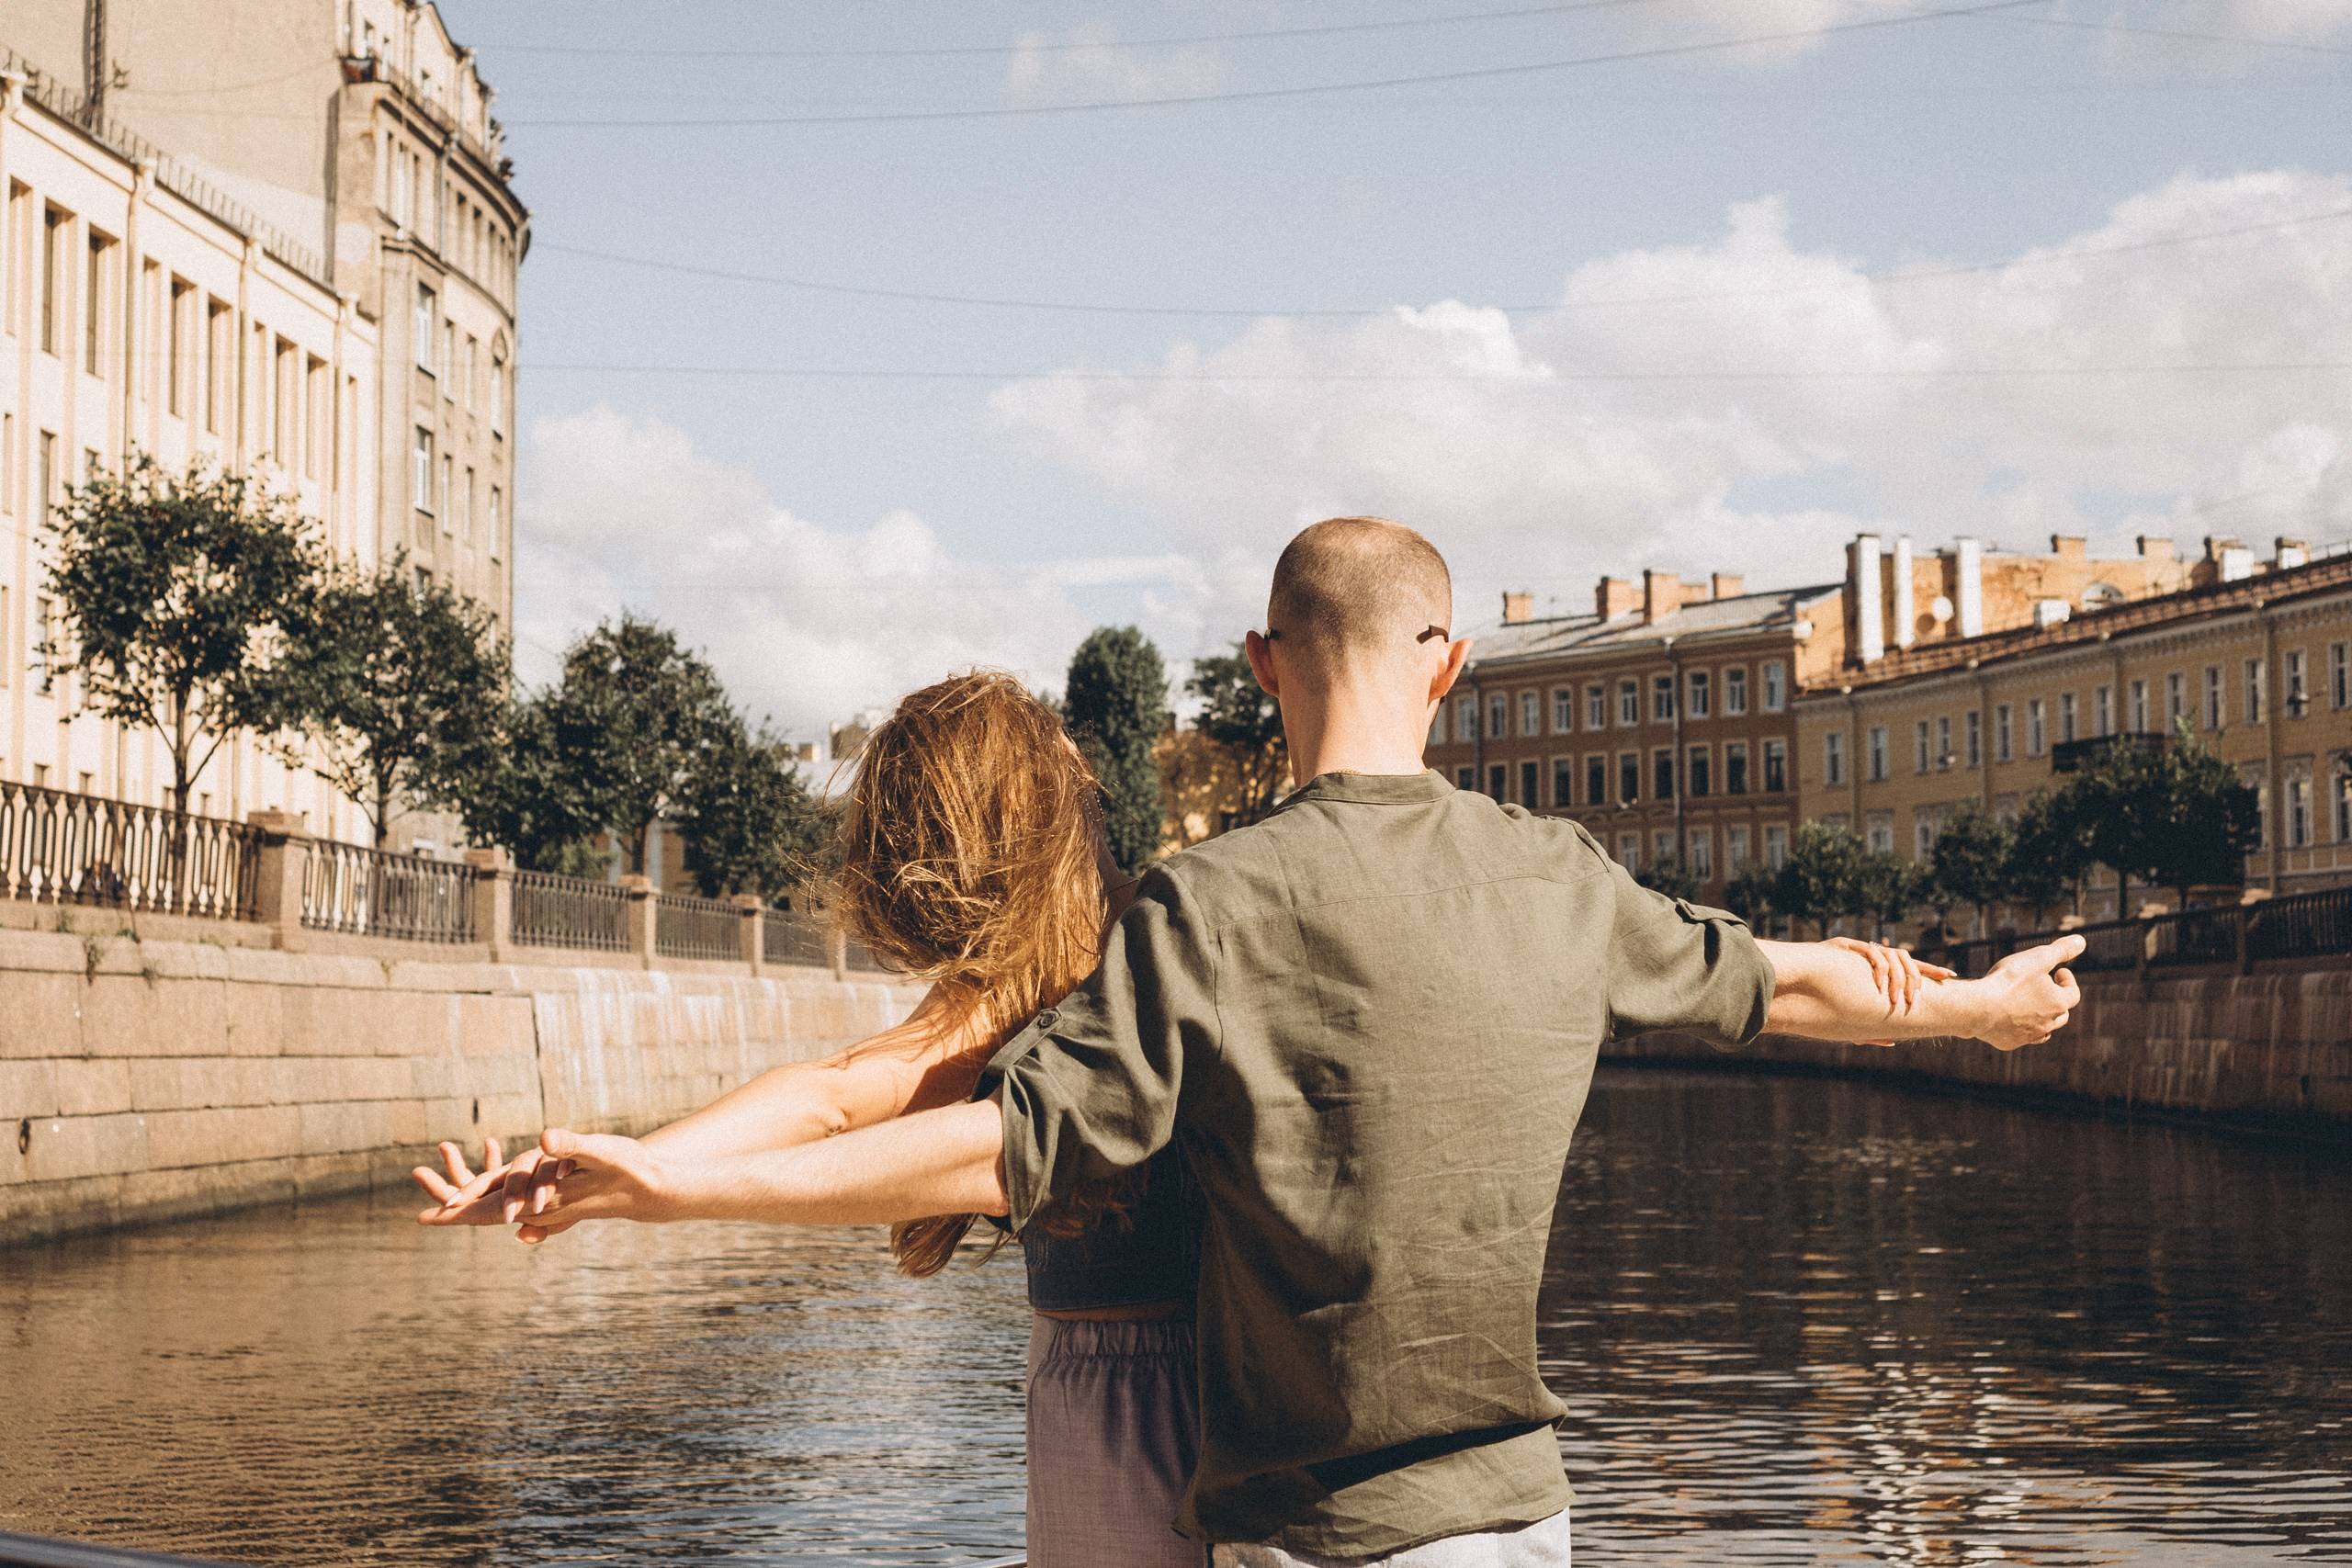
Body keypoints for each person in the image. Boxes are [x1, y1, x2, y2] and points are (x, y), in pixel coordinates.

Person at [483, 518, 2083, 1566]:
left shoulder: (1208, 906)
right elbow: (1782, 979)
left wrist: (663, 1181)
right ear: (1447, 663)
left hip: (1271, 1498)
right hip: (1501, 1506)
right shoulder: (1548, 877)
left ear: (1263, 670)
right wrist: (1983, 1004)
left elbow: (953, 1124)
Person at [413, 672, 1209, 1568]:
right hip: (1196, 1381)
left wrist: (635, 1176)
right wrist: (605, 1175)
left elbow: (828, 1093)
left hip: (1102, 1389)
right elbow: (825, 1093)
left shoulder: (1032, 988)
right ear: (1068, 770)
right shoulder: (1132, 953)